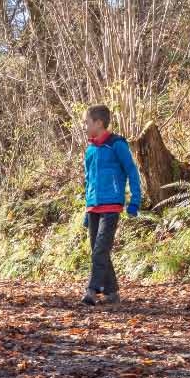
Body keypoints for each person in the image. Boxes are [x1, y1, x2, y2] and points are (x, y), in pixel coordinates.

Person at [80, 104, 142, 305]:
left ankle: (92, 290)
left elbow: (132, 172)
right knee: (99, 250)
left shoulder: (117, 145)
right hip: (93, 207)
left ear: (98, 123)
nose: (85, 126)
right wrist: (86, 210)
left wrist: (135, 201)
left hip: (112, 206)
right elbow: (88, 180)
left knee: (100, 250)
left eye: (87, 122)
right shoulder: (90, 150)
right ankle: (112, 291)